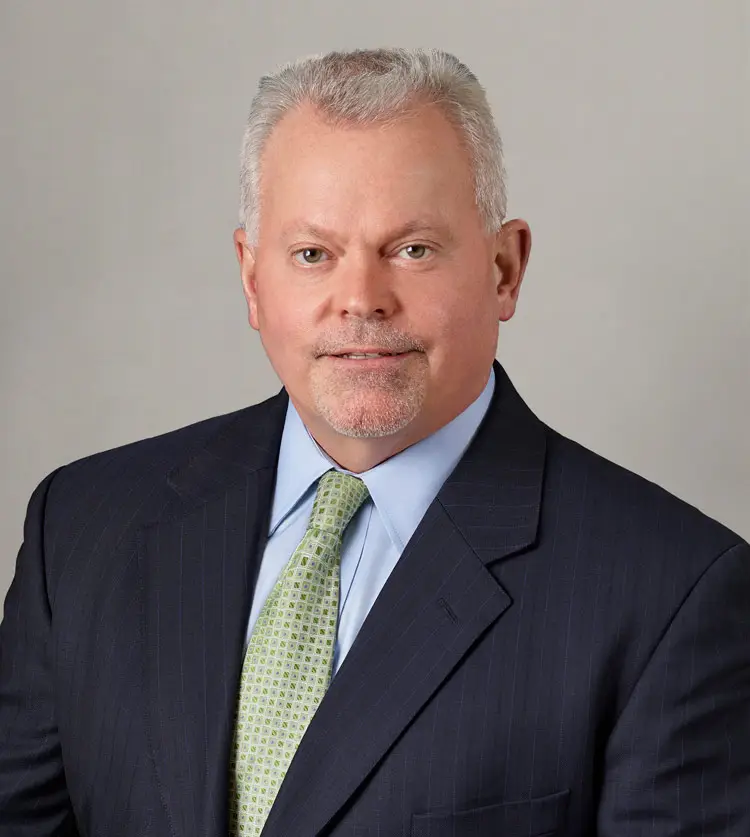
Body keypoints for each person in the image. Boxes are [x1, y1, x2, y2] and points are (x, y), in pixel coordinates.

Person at [0, 47, 748, 837]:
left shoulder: (672, 595)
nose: (360, 300)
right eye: (313, 254)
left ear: (504, 268)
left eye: (412, 249)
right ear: (253, 280)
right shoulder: (80, 529)